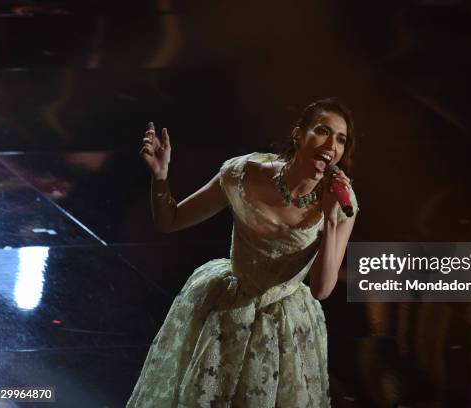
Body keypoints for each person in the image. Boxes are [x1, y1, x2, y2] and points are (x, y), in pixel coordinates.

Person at [128, 97, 359, 407]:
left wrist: (331, 217)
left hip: (284, 325)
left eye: (341, 139)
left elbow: (321, 289)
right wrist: (160, 176)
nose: (332, 144)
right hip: (226, 306)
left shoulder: (342, 204)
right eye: (323, 131)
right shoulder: (243, 173)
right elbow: (170, 221)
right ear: (298, 135)